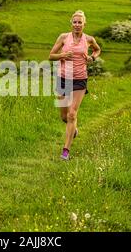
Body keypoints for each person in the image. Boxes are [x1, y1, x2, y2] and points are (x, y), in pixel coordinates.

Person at [48, 10, 101, 160]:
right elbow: (51, 56)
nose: (77, 25)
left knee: (72, 114)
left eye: (80, 22)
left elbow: (97, 50)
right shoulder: (63, 37)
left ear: (84, 24)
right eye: (75, 22)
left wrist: (92, 58)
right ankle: (74, 131)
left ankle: (65, 151)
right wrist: (63, 55)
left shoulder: (89, 39)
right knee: (64, 116)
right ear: (71, 23)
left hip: (79, 79)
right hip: (63, 78)